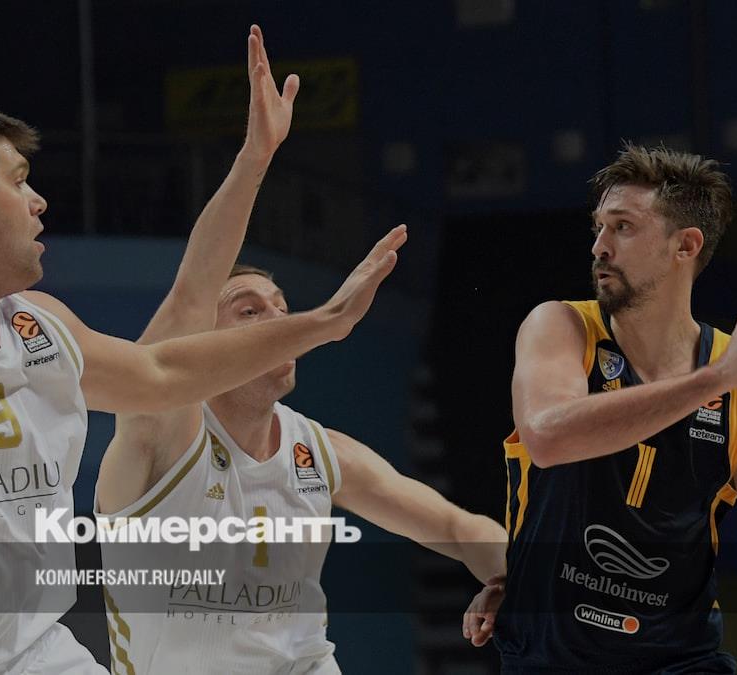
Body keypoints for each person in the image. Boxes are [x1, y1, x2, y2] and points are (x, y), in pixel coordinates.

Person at [0, 4, 404, 674]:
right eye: (19, 181)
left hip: (35, 657)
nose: (40, 201)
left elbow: (165, 369)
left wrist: (320, 317)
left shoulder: (40, 329)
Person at [95, 26, 506, 675]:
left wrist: (517, 576)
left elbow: (458, 528)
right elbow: (192, 289)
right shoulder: (159, 430)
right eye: (249, 311)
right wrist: (256, 156)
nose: (275, 324)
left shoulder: (319, 452)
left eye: (282, 311)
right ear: (204, 342)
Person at [461, 144, 737, 673]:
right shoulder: (561, 327)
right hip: (549, 659)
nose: (600, 245)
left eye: (623, 227)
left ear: (686, 245)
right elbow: (547, 437)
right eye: (599, 228)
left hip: (680, 661)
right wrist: (712, 381)